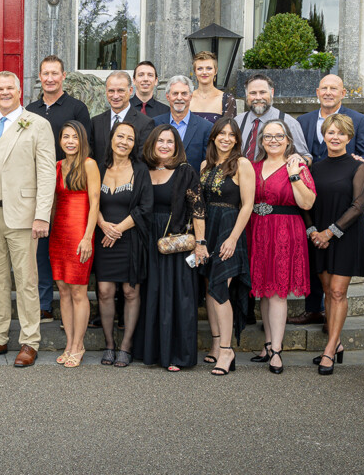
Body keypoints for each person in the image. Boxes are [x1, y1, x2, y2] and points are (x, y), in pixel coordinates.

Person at [0, 71, 57, 368]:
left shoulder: (39, 124)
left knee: (26, 280)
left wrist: (41, 216)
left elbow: (47, 173)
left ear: (20, 90)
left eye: (10, 88)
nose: (5, 92)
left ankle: (29, 340)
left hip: (25, 217)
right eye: (0, 88)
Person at [291, 73, 364, 328]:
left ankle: (331, 316)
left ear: (343, 93)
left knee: (335, 273)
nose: (328, 92)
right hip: (313, 200)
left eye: (334, 88)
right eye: (324, 88)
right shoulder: (303, 121)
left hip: (342, 196)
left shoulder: (359, 120)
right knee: (313, 256)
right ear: (317, 92)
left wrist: (359, 167)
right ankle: (312, 309)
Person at [25, 55, 92, 322]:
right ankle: (43, 302)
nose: (50, 78)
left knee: (66, 244)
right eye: (45, 73)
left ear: (64, 76)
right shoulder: (30, 110)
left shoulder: (77, 108)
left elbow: (86, 147)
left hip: (69, 187)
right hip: (38, 186)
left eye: (55, 73)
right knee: (40, 246)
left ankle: (71, 303)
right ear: (39, 77)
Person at [134, 125, 205, 371]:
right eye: (160, 141)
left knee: (177, 296)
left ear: (177, 146)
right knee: (151, 293)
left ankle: (177, 354)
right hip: (146, 238)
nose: (165, 145)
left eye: (170, 142)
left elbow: (198, 210)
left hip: (174, 242)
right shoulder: (143, 170)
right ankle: (152, 352)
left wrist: (200, 243)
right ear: (152, 144)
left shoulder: (186, 171)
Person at [248, 119, 316, 375]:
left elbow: (307, 203)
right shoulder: (253, 167)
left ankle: (277, 350)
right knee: (264, 292)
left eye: (279, 136)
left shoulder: (296, 165)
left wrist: (294, 175)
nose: (273, 140)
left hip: (285, 232)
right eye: (268, 136)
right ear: (262, 141)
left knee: (277, 292)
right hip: (257, 230)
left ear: (288, 140)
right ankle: (267, 344)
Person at [307, 114, 364, 375]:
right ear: (324, 135)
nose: (335, 137)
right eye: (330, 132)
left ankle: (330, 348)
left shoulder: (359, 167)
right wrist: (313, 231)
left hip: (344, 235)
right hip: (318, 235)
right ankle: (337, 343)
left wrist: (329, 233)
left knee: (337, 292)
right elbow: (306, 203)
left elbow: (358, 206)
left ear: (349, 137)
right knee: (325, 288)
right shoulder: (314, 168)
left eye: (340, 133)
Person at [198, 117, 254, 376]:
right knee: (210, 286)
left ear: (237, 139)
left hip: (229, 228)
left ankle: (227, 349)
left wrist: (232, 238)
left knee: (221, 287)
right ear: (213, 137)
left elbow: (248, 205)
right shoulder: (205, 165)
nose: (226, 138)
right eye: (222, 133)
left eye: (232, 135)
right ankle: (215, 343)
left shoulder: (242, 164)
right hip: (207, 229)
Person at [93, 121, 152, 367]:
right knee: (105, 292)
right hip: (103, 237)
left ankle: (126, 346)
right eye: (120, 136)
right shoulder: (98, 167)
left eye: (129, 138)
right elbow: (90, 200)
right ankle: (109, 344)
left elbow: (145, 207)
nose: (124, 142)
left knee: (130, 291)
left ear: (134, 144)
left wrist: (117, 229)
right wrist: (103, 224)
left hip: (130, 238)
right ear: (112, 138)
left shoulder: (140, 170)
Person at [50, 121, 100, 367]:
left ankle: (79, 345)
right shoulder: (58, 166)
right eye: (65, 136)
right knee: (63, 290)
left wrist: (88, 237)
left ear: (82, 140)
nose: (70, 141)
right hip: (58, 233)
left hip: (80, 233)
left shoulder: (89, 165)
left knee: (79, 290)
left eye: (74, 137)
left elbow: (95, 202)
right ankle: (69, 342)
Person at [237, 74, 310, 163]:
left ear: (272, 93)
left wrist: (301, 160)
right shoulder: (237, 122)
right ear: (246, 95)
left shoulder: (289, 123)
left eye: (262, 92)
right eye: (253, 93)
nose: (258, 97)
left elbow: (306, 156)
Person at [89, 71, 155, 165]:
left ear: (131, 91)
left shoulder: (145, 123)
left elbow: (142, 160)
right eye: (111, 91)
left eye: (120, 91)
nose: (115, 96)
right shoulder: (95, 122)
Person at [152, 75, 214, 170]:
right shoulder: (155, 124)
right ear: (168, 97)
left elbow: (208, 164)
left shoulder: (206, 128)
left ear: (190, 96)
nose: (179, 98)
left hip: (192, 183)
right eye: (175, 93)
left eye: (184, 93)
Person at [189, 51, 237, 123]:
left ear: (216, 71)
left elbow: (229, 130)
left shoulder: (227, 100)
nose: (204, 72)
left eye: (209, 68)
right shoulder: (187, 98)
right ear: (195, 72)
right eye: (200, 68)